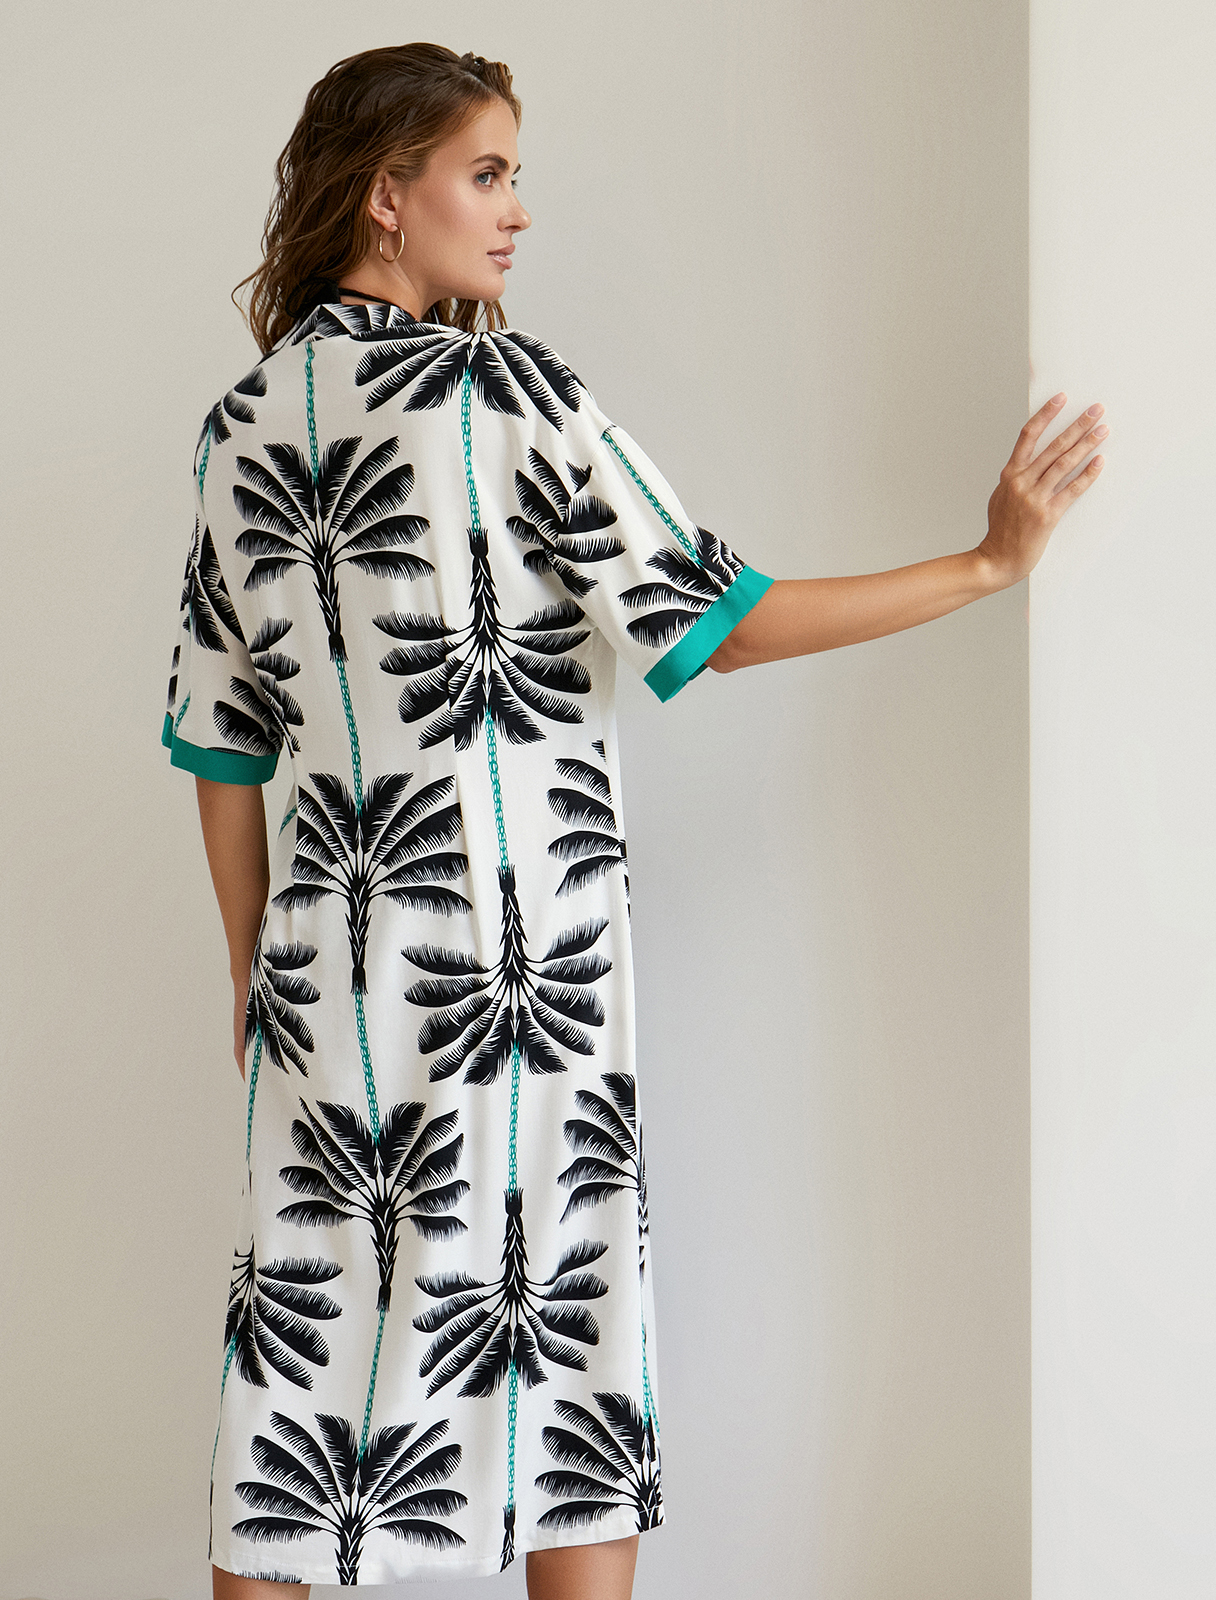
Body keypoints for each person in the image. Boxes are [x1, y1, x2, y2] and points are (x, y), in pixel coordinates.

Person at [161, 43, 1105, 1600]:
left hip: (323, 967)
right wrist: (986, 564)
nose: (518, 211)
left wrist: (251, 967)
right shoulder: (504, 393)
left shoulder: (242, 422)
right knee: (567, 1343)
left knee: (303, 1359)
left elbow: (220, 737)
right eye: (488, 174)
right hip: (520, 965)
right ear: (388, 195)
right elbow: (717, 624)